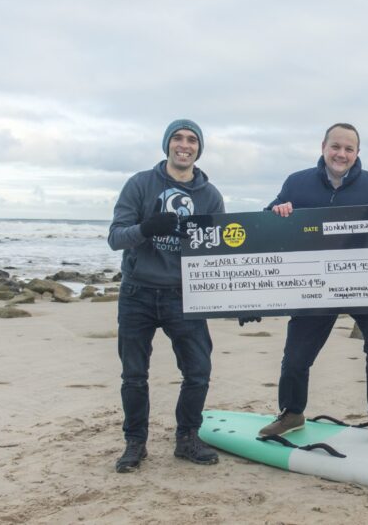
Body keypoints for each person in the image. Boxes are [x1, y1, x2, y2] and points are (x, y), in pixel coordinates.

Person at [258, 123, 368, 441]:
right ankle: (292, 413)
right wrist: (278, 212)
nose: (341, 154)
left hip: (362, 284)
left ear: (357, 153)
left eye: (349, 149)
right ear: (323, 147)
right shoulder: (297, 183)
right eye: (336, 147)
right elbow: (267, 224)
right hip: (314, 287)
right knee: (296, 355)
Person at [108, 119, 225, 472]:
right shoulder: (140, 184)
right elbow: (115, 237)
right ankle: (135, 443)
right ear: (167, 144)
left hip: (184, 296)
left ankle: (187, 438)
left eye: (192, 140)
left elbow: (220, 254)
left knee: (198, 372)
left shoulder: (210, 196)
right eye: (178, 138)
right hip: (137, 293)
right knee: (133, 375)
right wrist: (145, 229)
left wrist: (238, 300)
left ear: (198, 149)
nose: (184, 145)